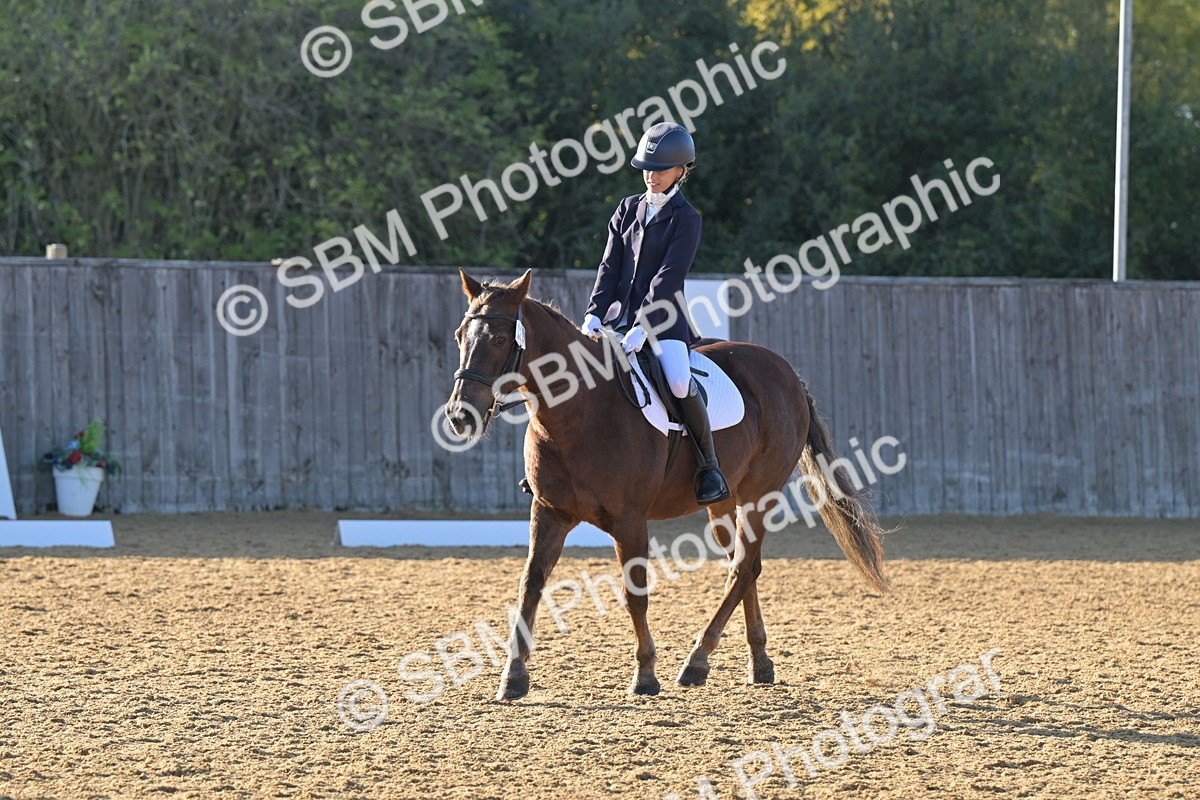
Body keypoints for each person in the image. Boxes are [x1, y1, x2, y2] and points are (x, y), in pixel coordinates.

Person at [579, 122, 731, 505]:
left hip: (663, 323)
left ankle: (708, 466)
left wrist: (643, 327)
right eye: (647, 167)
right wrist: (595, 312)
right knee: (571, 370)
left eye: (661, 169)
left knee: (679, 383)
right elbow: (609, 266)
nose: (652, 175)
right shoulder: (627, 208)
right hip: (616, 321)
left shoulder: (687, 219)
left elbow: (668, 278)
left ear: (682, 170)